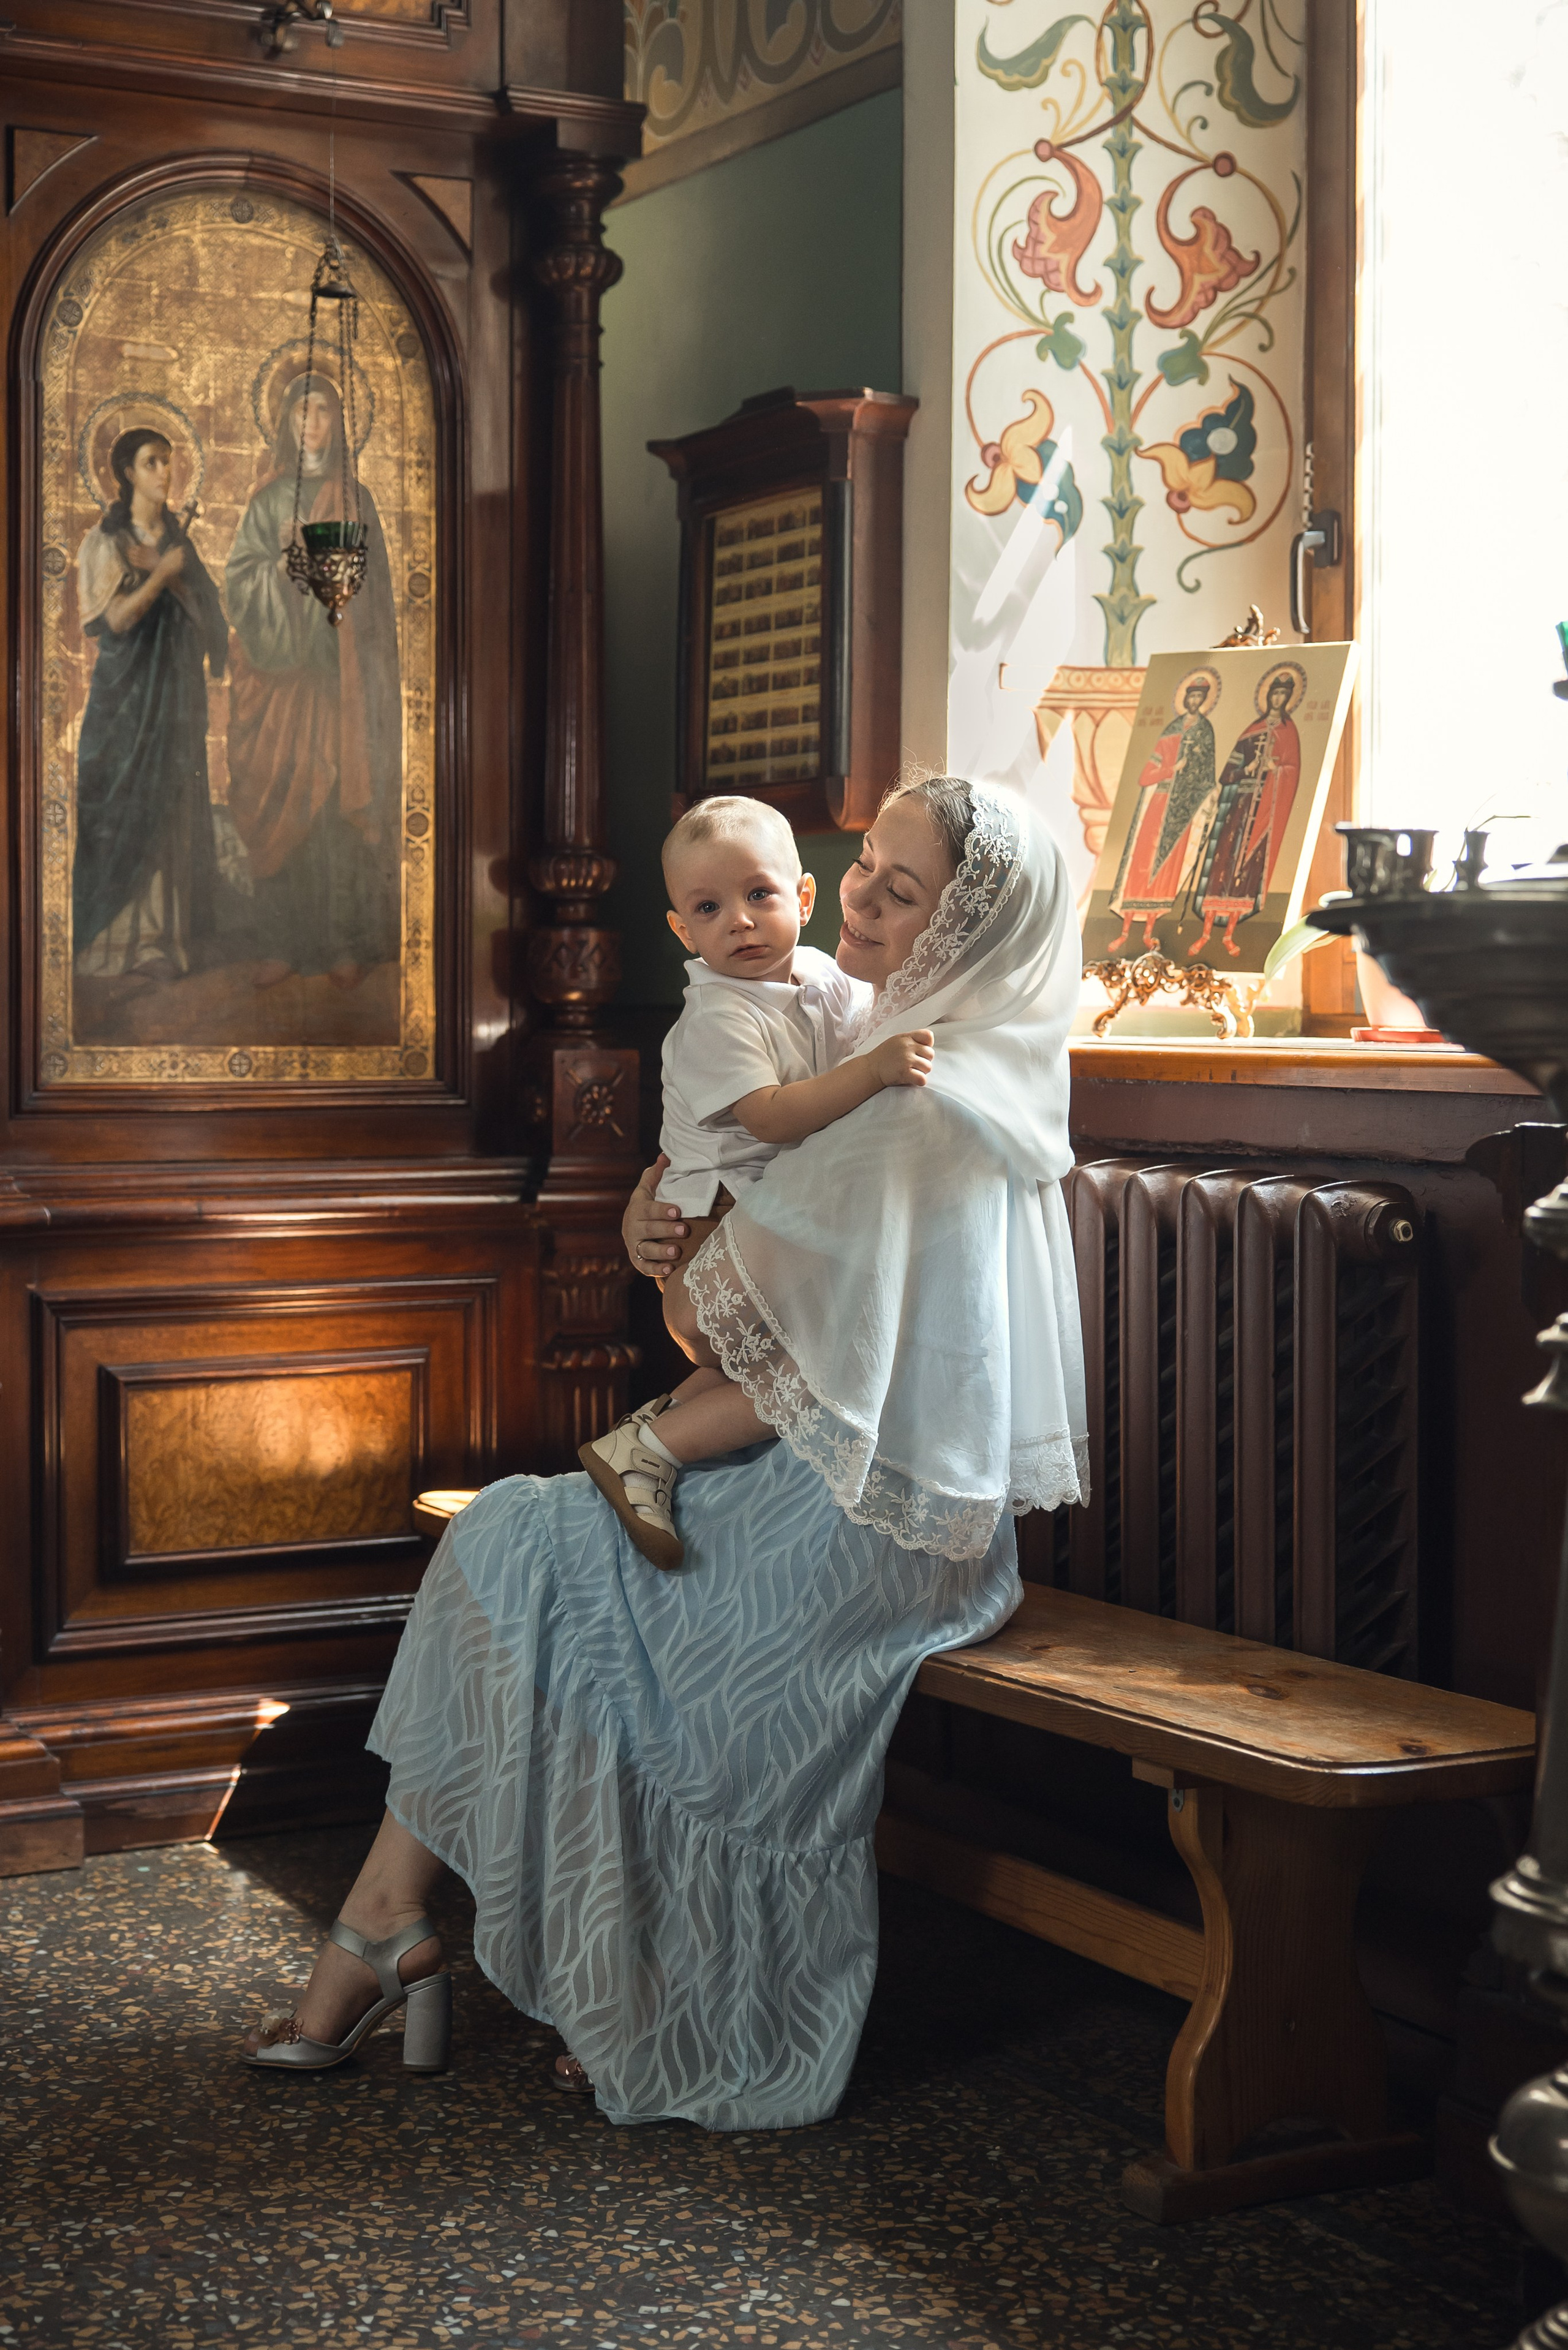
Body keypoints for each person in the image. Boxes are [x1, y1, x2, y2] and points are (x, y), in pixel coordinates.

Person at [242, 775, 1089, 2131]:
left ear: (962, 933)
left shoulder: (919, 1101)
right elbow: (767, 1319)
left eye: (899, 888)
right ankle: (396, 1916)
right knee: (517, 1540)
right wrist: (671, 1216)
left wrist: (661, 1243)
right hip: (834, 1473)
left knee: (524, 1546)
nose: (858, 894)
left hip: (870, 1530)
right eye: (863, 863)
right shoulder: (904, 1049)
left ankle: (447, 1941)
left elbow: (714, 1336)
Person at [581, 793, 932, 1572]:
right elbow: (771, 1118)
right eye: (709, 907)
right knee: (818, 1374)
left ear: (803, 898)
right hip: (710, 1234)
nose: (738, 920)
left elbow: (862, 1031)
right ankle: (653, 1445)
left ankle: (649, 1434)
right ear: (681, 929)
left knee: (772, 1370)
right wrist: (875, 1071)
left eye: (759, 895)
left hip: (768, 1224)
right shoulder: (715, 1016)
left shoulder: (822, 977)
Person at [224, 372, 401, 991]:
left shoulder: (357, 500)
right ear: (285, 423)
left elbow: (375, 602)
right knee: (278, 802)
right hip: (277, 686)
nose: (313, 424)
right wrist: (281, 564)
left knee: (332, 810)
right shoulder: (268, 501)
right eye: (302, 413)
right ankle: (281, 942)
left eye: (323, 412)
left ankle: (340, 942)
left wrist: (344, 591)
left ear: (338, 422)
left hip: (335, 681)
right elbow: (240, 582)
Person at [73, 428, 230, 984]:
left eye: (168, 462)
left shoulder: (179, 545)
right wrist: (160, 576)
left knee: (172, 805)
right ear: (127, 474)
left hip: (176, 699)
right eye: (152, 462)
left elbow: (208, 617)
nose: (165, 472)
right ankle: (118, 945)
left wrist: (175, 575)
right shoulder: (105, 543)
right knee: (125, 806)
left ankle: (166, 939)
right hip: (127, 701)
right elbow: (112, 621)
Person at [1187, 665, 1303, 959]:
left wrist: (1275, 770)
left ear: (1288, 699)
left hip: (1263, 812)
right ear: (1267, 698)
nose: (1277, 700)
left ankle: (1229, 936)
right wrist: (1247, 770)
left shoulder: (1289, 733)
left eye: (1282, 695)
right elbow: (1227, 773)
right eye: (1274, 694)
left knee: (1245, 875)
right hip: (1239, 807)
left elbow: (1292, 771)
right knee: (1221, 865)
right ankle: (1204, 934)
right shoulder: (1251, 732)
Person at [1104, 669, 1219, 955]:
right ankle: (1125, 932)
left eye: (1198, 697)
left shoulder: (1205, 733)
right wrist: (1171, 769)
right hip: (1158, 805)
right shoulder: (1170, 733)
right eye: (1190, 696)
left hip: (1182, 813)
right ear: (1185, 699)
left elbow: (1206, 777)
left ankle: (1148, 934)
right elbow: (1146, 776)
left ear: (1204, 701)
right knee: (1142, 863)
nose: (1194, 701)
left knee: (1166, 870)